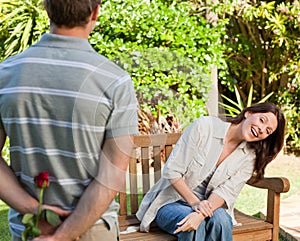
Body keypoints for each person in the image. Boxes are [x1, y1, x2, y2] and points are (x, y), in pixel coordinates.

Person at [0, 0, 138, 241]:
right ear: (95, 12)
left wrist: (34, 209)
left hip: (31, 229)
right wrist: (62, 236)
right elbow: (111, 176)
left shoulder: (6, 74)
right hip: (94, 231)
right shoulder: (115, 81)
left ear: (46, 8)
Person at [136, 102, 285, 241]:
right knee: (193, 224)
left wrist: (200, 214)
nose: (261, 129)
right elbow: (172, 171)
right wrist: (195, 204)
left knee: (222, 220)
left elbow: (225, 192)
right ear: (249, 113)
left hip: (210, 206)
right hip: (170, 202)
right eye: (262, 120)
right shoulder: (204, 127)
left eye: (268, 131)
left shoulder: (250, 157)